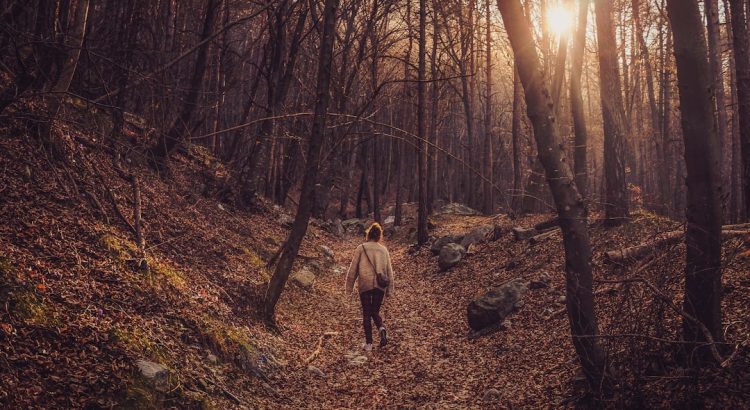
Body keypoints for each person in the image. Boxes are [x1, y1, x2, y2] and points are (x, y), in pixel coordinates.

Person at [345, 222, 394, 352]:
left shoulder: (361, 248)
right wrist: (390, 290)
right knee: (375, 311)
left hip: (365, 283)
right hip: (380, 285)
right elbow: (389, 271)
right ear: (379, 236)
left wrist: (348, 287)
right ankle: (382, 329)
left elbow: (353, 269)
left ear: (368, 234)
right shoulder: (384, 250)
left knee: (367, 313)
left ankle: (369, 344)